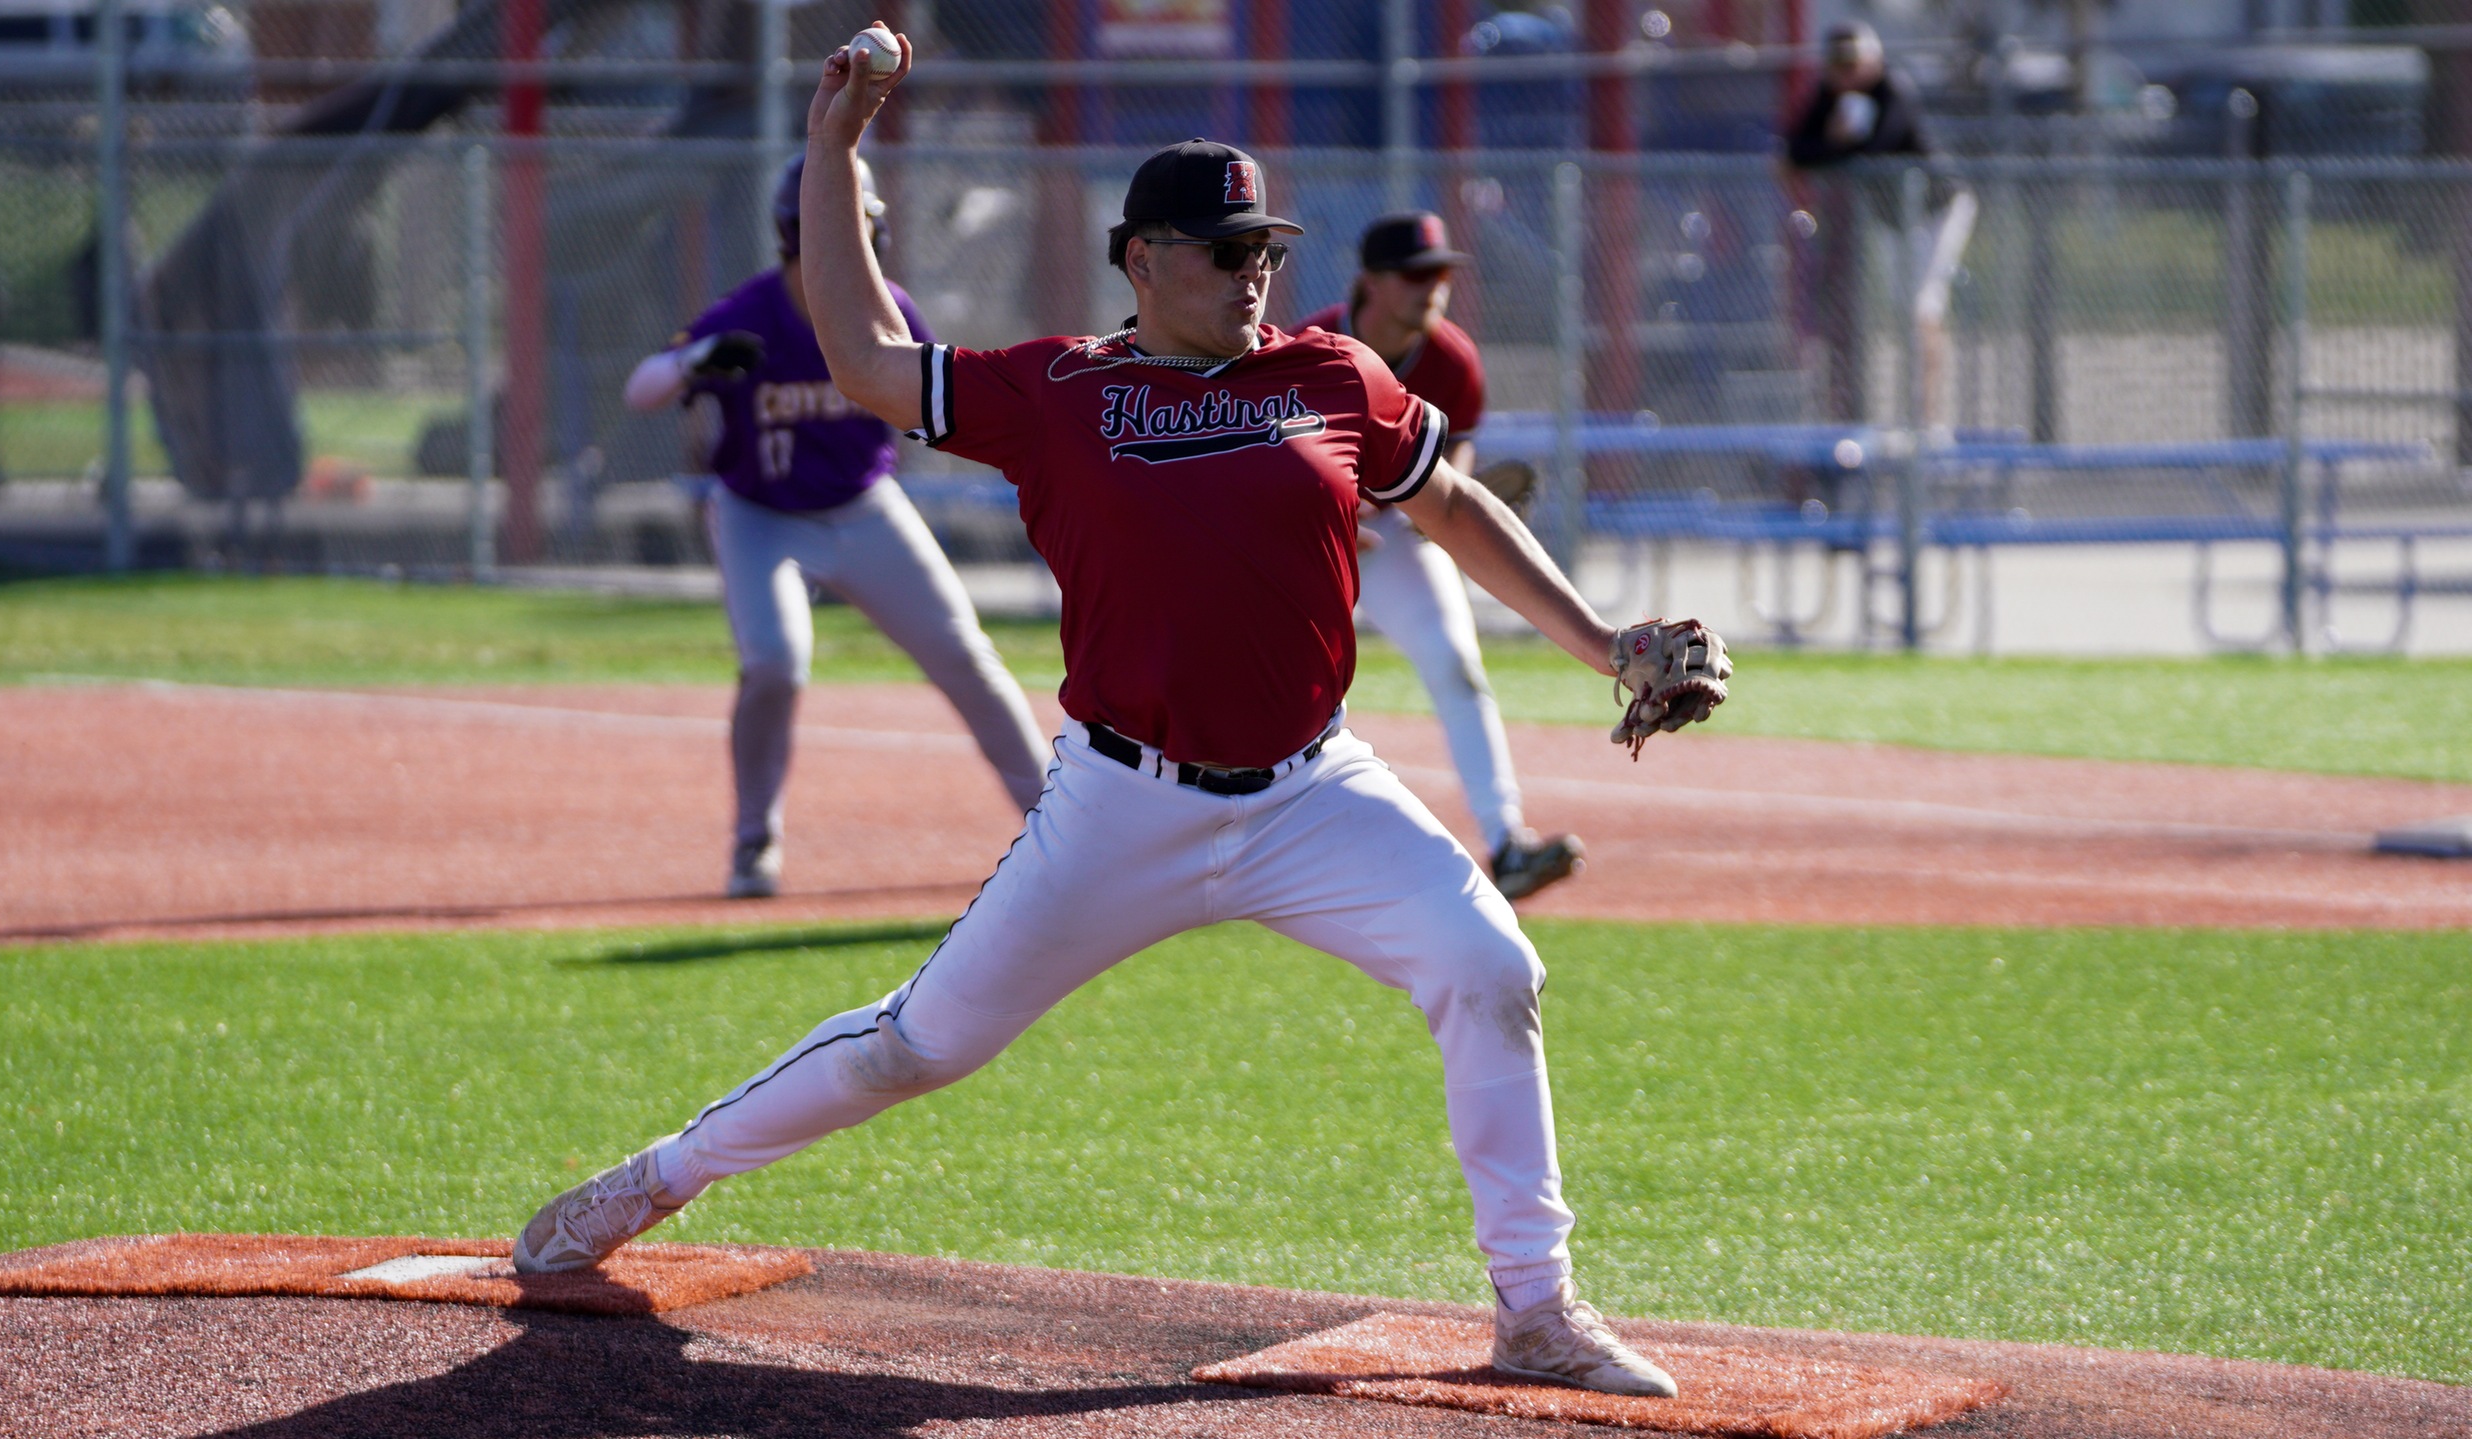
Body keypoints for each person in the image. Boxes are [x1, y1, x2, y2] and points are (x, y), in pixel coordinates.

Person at [519, 26, 1733, 1400]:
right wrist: (838, 146)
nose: (1253, 274)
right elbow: (865, 357)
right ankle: (660, 1177)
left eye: (1266, 249)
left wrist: (1600, 640)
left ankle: (1537, 1306)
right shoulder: (1057, 390)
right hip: (1121, 797)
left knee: (1491, 967)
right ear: (1142, 258)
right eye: (1223, 252)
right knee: (920, 1043)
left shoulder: (1329, 374)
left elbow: (1447, 502)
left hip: (1309, 789)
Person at [621, 152, 1050, 899]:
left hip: (863, 507)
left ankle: (1056, 828)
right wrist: (693, 359)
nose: (852, 242)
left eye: (859, 226)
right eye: (836, 225)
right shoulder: (750, 314)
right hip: (762, 515)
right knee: (775, 663)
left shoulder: (890, 308)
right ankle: (756, 838)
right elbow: (641, 393)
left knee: (966, 656)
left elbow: (934, 408)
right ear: (798, 233)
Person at [1300, 213, 1582, 901]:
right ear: (1371, 281)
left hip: (1391, 533)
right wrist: (1328, 521)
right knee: (1283, 685)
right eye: (1416, 273)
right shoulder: (1313, 347)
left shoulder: (1452, 360)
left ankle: (1507, 841)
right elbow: (1281, 466)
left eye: (1443, 274)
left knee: (1457, 666)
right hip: (1302, 531)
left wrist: (1441, 523)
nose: (1434, 288)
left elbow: (1451, 472)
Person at [1783, 20, 1975, 431]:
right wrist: (1832, 143)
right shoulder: (1829, 96)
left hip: (1935, 212)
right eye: (1839, 64)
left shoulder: (1892, 90)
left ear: (1873, 61)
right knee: (1906, 312)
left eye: (1854, 63)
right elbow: (1795, 152)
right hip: (1893, 221)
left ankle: (1928, 423)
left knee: (1920, 308)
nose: (1847, 73)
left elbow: (1872, 148)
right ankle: (1917, 420)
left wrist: (1833, 144)